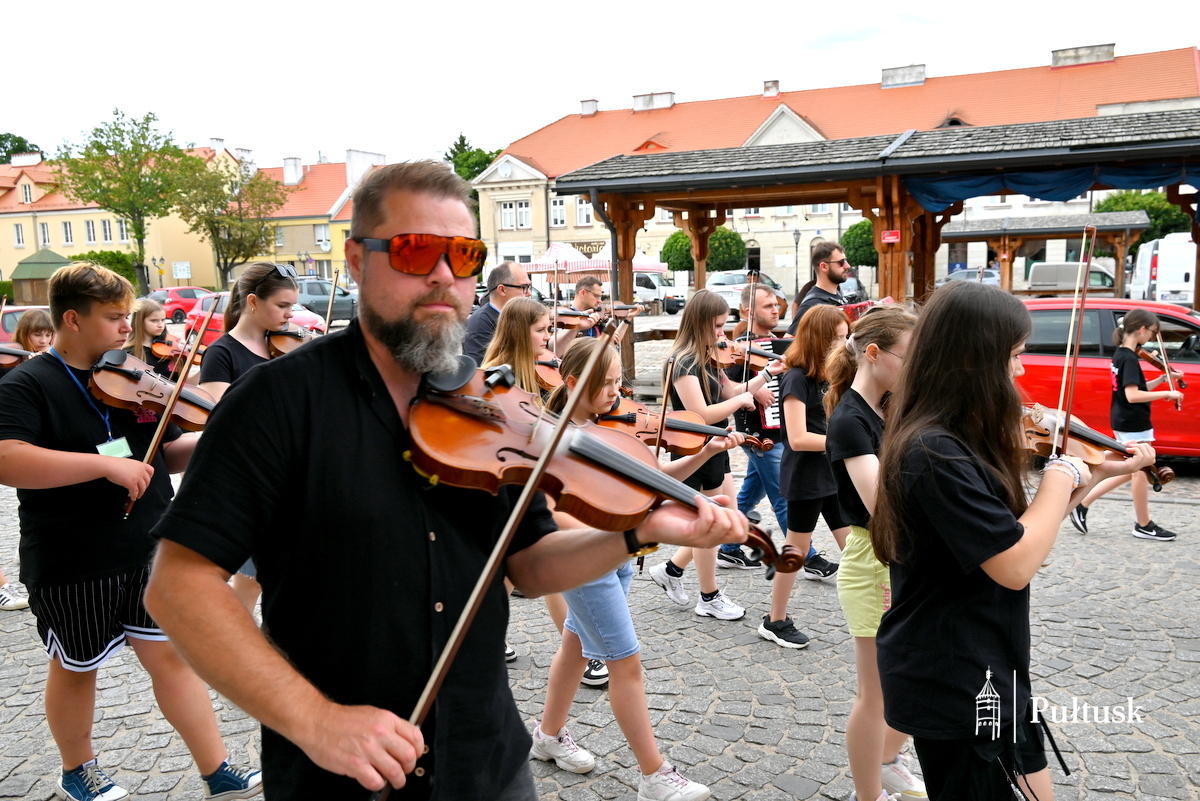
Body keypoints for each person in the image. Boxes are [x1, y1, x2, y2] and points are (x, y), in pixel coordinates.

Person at [143, 161, 747, 800]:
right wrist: (316, 721)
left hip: (487, 757)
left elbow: (530, 564)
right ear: (356, 259)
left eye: (462, 255)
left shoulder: (489, 402)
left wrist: (636, 530)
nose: (441, 275)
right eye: (413, 250)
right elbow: (178, 586)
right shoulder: (276, 400)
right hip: (341, 776)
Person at [872, 281, 1154, 800]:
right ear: (973, 359)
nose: (1021, 372)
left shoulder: (956, 437)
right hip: (955, 676)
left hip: (990, 663)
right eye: (1015, 356)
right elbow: (1014, 564)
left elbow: (1017, 535)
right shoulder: (934, 451)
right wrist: (1060, 474)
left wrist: (1081, 478)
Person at [0, 262, 261, 801]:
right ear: (72, 319)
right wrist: (101, 466)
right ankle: (79, 770)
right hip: (73, 552)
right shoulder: (28, 383)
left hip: (148, 545)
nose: (127, 327)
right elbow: (8, 460)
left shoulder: (132, 378)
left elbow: (162, 454)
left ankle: (218, 770)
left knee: (169, 655)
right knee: (76, 665)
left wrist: (218, 439)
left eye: (128, 316)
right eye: (115, 317)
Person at [529, 337, 738, 800]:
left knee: (576, 646)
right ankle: (654, 776)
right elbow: (552, 516)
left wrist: (703, 456)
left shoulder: (606, 431)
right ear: (571, 383)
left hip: (619, 559)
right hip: (587, 564)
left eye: (617, 382)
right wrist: (623, 529)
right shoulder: (552, 439)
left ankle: (547, 737)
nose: (615, 393)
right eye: (604, 384)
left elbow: (652, 479)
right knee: (627, 663)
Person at [823, 306, 926, 801]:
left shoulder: (885, 408)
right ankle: (867, 794)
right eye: (909, 357)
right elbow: (880, 506)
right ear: (873, 353)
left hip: (898, 556)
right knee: (876, 693)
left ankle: (887, 762)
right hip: (873, 559)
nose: (915, 366)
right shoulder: (849, 419)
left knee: (914, 678)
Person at [648, 289, 776, 621]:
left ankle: (672, 570)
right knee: (713, 524)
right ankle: (708, 596)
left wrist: (765, 376)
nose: (723, 334)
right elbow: (701, 413)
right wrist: (739, 403)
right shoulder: (683, 362)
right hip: (695, 448)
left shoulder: (708, 355)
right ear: (701, 322)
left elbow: (731, 391)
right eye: (718, 326)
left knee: (725, 518)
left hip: (715, 446)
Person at [480, 296, 586, 681]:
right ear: (518, 332)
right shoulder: (495, 374)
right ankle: (581, 648)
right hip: (508, 482)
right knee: (544, 558)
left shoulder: (535, 370)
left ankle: (482, 634)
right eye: (541, 330)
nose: (548, 336)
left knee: (509, 574)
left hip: (530, 477)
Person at [199, 261, 300, 614]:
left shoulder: (288, 346)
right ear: (254, 302)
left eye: (292, 306)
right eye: (283, 306)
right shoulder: (221, 354)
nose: (291, 315)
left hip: (289, 480)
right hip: (252, 483)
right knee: (250, 583)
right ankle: (230, 651)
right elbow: (223, 422)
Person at [718, 283, 835, 578]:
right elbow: (727, 387)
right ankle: (809, 558)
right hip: (759, 433)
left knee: (748, 494)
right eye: (768, 306)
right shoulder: (738, 345)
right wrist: (756, 391)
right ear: (748, 311)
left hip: (778, 432)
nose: (776, 310)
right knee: (784, 496)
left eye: (776, 305)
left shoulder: (776, 342)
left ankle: (728, 548)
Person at [763, 304, 852, 648]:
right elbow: (797, 438)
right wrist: (844, 441)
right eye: (838, 339)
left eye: (846, 338)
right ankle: (775, 620)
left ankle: (883, 612)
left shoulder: (831, 374)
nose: (844, 345)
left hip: (831, 472)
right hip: (805, 475)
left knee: (857, 545)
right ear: (819, 340)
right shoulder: (796, 378)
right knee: (796, 551)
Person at [1069, 308, 1183, 541]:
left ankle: (1081, 502)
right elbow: (1133, 396)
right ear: (1141, 329)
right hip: (1133, 420)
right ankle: (1143, 524)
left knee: (1133, 468)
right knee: (1141, 470)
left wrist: (1161, 380)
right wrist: (1166, 394)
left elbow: (1135, 388)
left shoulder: (1122, 354)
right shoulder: (1129, 358)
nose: (1151, 337)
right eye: (1152, 332)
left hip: (1125, 417)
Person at [463, 261, 534, 365]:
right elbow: (481, 372)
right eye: (523, 287)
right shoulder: (480, 323)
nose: (529, 293)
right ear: (502, 290)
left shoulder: (518, 317)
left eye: (529, 287)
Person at [786, 242, 849, 336]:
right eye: (841, 262)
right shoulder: (812, 304)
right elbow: (789, 340)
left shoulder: (839, 296)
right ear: (824, 266)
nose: (847, 266)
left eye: (846, 261)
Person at [123, 298, 174, 378]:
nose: (160, 325)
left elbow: (185, 384)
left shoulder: (169, 350)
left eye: (163, 320)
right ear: (140, 322)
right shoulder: (130, 352)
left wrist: (201, 370)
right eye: (154, 320)